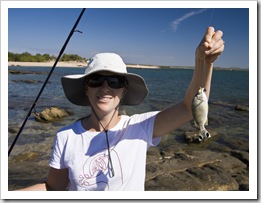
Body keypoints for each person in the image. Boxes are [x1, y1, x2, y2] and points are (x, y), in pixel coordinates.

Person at [17, 26, 224, 191]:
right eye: (96, 80)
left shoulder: (140, 127)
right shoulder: (65, 137)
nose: (105, 87)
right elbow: (54, 189)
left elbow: (190, 108)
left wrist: (204, 62)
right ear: (86, 88)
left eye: (114, 81)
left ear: (123, 90)